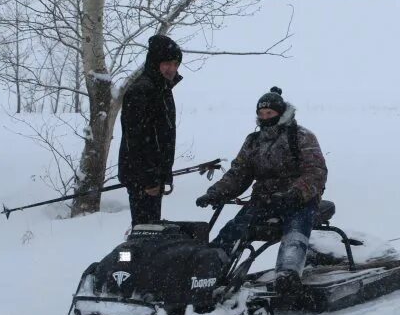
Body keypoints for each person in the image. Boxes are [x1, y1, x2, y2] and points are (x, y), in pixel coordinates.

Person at [196, 87, 328, 293]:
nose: (265, 117)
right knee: (234, 229)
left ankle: (288, 275)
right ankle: (207, 270)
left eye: (270, 113)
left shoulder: (302, 136)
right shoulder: (253, 141)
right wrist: (216, 192)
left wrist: (294, 193)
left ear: (280, 113)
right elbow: (238, 173)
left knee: (295, 232)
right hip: (264, 200)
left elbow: (316, 172)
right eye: (262, 114)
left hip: (299, 199)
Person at [118, 34, 183, 225]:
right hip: (142, 178)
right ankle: (127, 257)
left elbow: (163, 137)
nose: (172, 69)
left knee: (150, 230)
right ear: (155, 62)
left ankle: (138, 255)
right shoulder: (141, 90)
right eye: (167, 63)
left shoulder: (162, 89)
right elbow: (136, 140)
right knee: (143, 232)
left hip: (154, 176)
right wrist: (149, 179)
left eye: (175, 64)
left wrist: (163, 174)